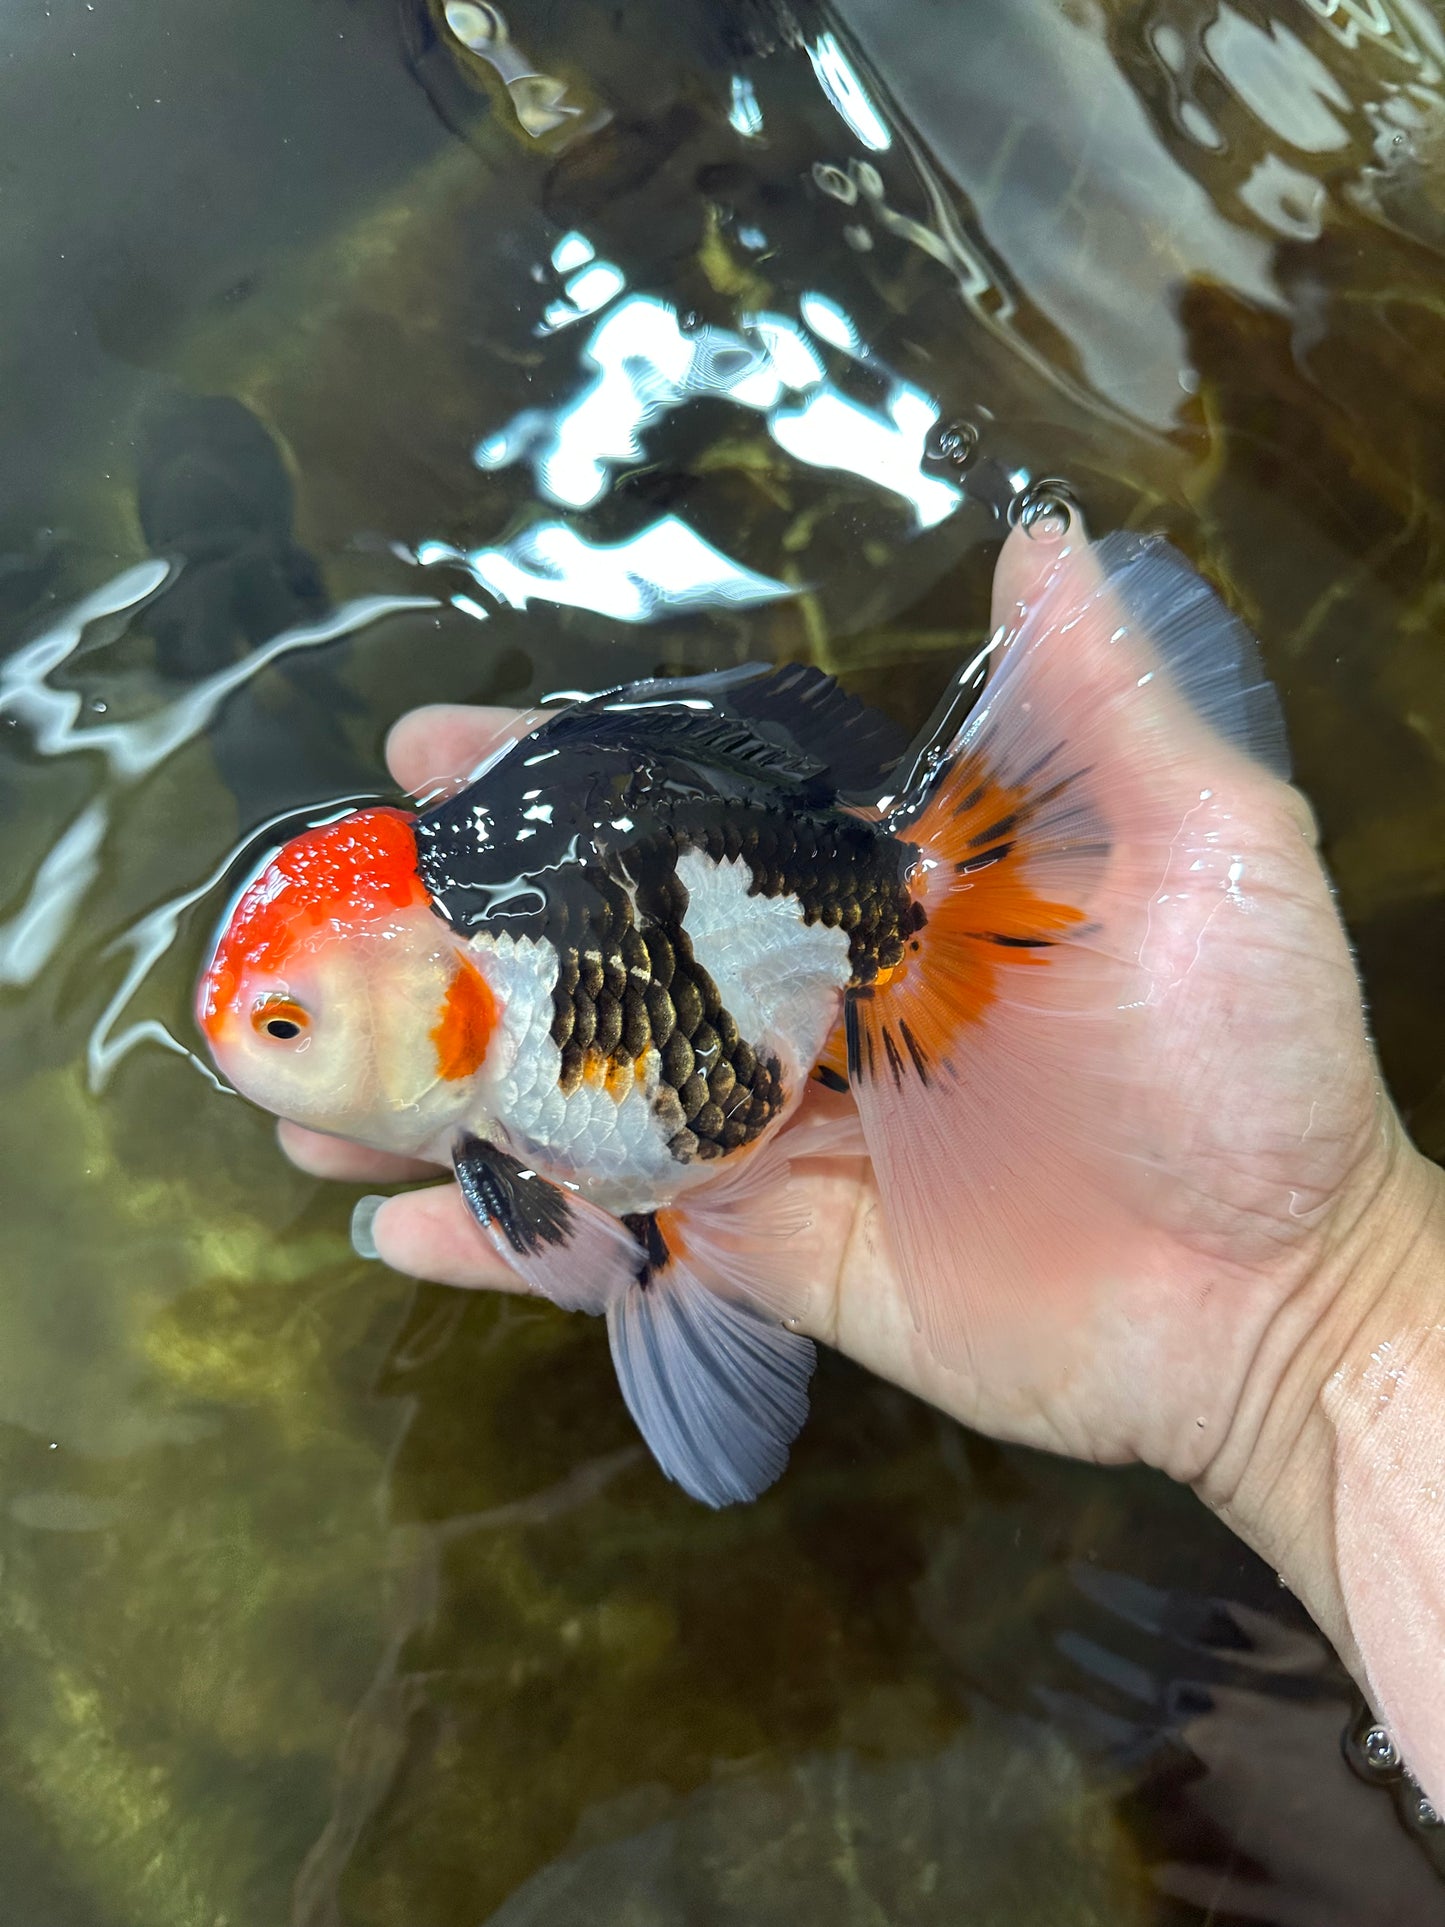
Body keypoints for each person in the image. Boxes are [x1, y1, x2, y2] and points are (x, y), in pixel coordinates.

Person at [278, 516, 1445, 1811]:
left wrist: (1323, 1299)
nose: (267, 1056)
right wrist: (1327, 1319)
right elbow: (580, 1242)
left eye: (286, 1029)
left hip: (783, 949)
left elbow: (574, 1243)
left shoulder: (517, 1048)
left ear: (431, 1006)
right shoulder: (488, 1093)